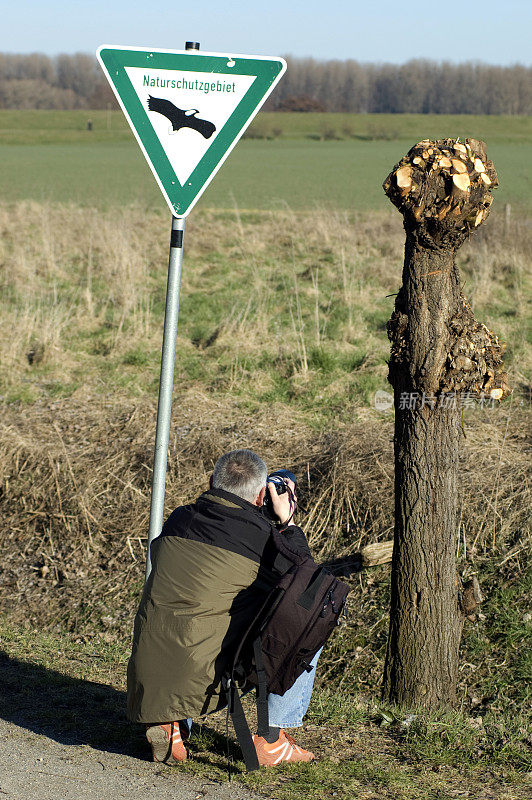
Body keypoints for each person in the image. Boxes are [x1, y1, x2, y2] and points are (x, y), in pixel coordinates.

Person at [127, 449, 318, 767]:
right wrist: (288, 522)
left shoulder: (180, 518)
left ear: (211, 482)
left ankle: (172, 723)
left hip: (150, 665)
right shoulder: (263, 538)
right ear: (261, 495)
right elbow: (308, 584)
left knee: (198, 615)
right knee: (309, 620)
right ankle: (273, 741)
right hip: (209, 670)